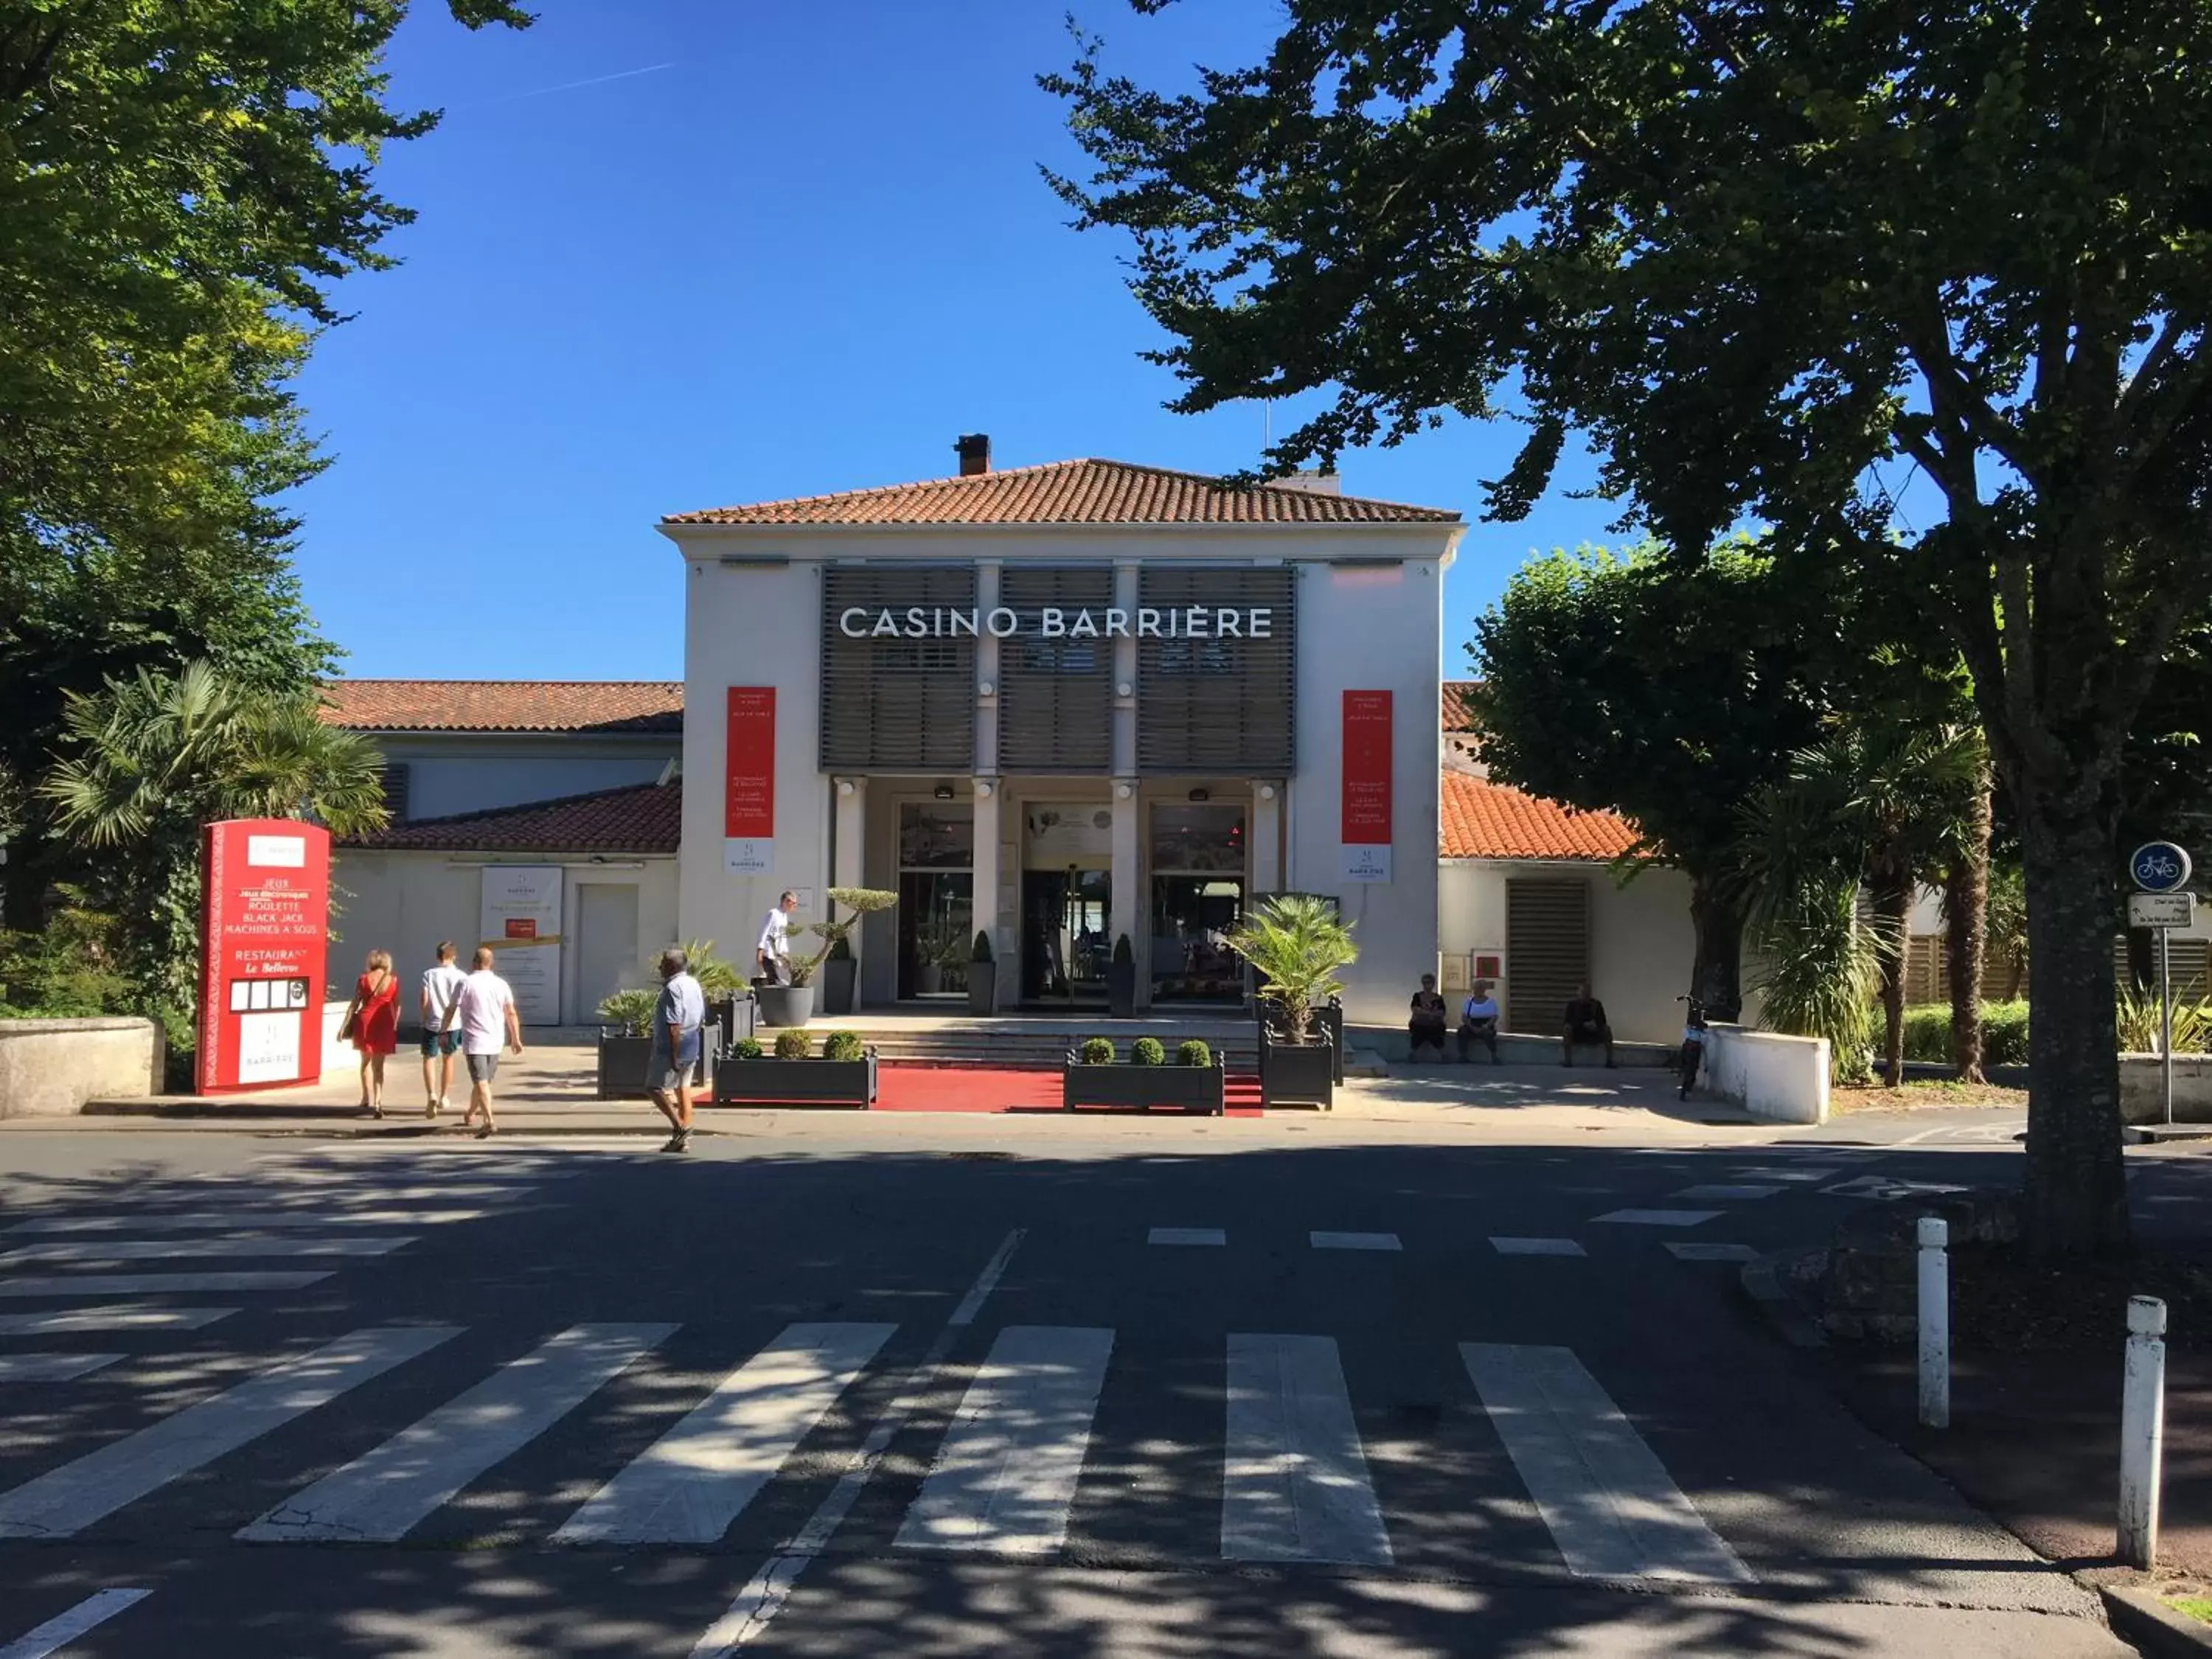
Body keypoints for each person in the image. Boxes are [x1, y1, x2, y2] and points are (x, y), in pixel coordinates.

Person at [453, 945, 522, 1139]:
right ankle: (472, 1113)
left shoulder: (465, 982)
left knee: (482, 1082)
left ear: (474, 963)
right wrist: (515, 1038)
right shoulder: (501, 984)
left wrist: (443, 1030)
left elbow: (452, 1008)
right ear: (491, 963)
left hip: (475, 1041)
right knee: (483, 1082)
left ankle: (489, 1121)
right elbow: (511, 1012)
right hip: (495, 1040)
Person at [648, 946, 707, 1153]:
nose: (659, 967)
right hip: (692, 1039)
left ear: (671, 966)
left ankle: (680, 1127)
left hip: (674, 1045)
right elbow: (700, 1015)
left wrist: (673, 1055)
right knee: (683, 1089)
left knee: (654, 1087)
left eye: (663, 964)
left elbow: (673, 1025)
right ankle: (681, 1141)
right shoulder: (693, 983)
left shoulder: (672, 988)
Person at [344, 949, 401, 1118]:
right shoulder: (393, 981)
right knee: (379, 1066)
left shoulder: (363, 979)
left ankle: (365, 1097)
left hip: (365, 1021)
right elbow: (397, 1005)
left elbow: (354, 1004)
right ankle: (378, 1101)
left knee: (365, 1062)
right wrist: (395, 1023)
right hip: (384, 1022)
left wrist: (343, 1028)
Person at [418, 941, 467, 1119]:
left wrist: (423, 1018)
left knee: (429, 1058)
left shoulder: (429, 975)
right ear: (454, 956)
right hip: (453, 1023)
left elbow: (424, 999)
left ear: (437, 956)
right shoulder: (462, 976)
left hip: (432, 1022)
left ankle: (431, 1093)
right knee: (448, 1059)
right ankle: (444, 1096)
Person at [1563, 983, 1615, 1068]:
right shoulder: (1572, 1005)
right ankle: (1567, 1060)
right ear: (1579, 993)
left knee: (1607, 1029)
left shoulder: (1596, 1005)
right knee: (1567, 1029)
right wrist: (1582, 1024)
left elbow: (1603, 1021)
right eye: (1583, 992)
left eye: (1588, 992)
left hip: (1593, 1033)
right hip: (1578, 1033)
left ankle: (1610, 1061)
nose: (1586, 995)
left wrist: (1596, 1025)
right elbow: (1567, 1021)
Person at [756, 890, 799, 984]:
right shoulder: (773, 913)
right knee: (775, 982)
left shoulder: (784, 917)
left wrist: (785, 955)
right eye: (793, 903)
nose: (794, 906)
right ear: (786, 902)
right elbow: (764, 932)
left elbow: (782, 937)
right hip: (768, 954)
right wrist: (760, 951)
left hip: (777, 956)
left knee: (776, 982)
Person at [1407, 973, 1448, 1060]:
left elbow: (1442, 1012)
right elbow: (1415, 1009)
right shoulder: (1417, 996)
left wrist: (1428, 1014)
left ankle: (1443, 1054)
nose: (1427, 985)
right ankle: (1413, 1053)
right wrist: (1430, 1014)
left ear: (1433, 984)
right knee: (1420, 1030)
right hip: (1420, 1022)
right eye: (1425, 983)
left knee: (1435, 1030)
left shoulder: (1438, 998)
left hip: (1434, 1023)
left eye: (1429, 983)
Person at [1459, 981, 1502, 1063]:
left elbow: (1494, 1016)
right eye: (1476, 989)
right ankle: (1463, 1056)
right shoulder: (1469, 1002)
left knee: (1488, 1034)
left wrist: (1486, 1026)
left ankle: (1494, 1057)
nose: (1478, 991)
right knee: (1462, 1032)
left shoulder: (1491, 1002)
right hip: (1472, 1024)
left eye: (1481, 988)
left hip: (1486, 1024)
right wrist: (1472, 1027)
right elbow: (1464, 1017)